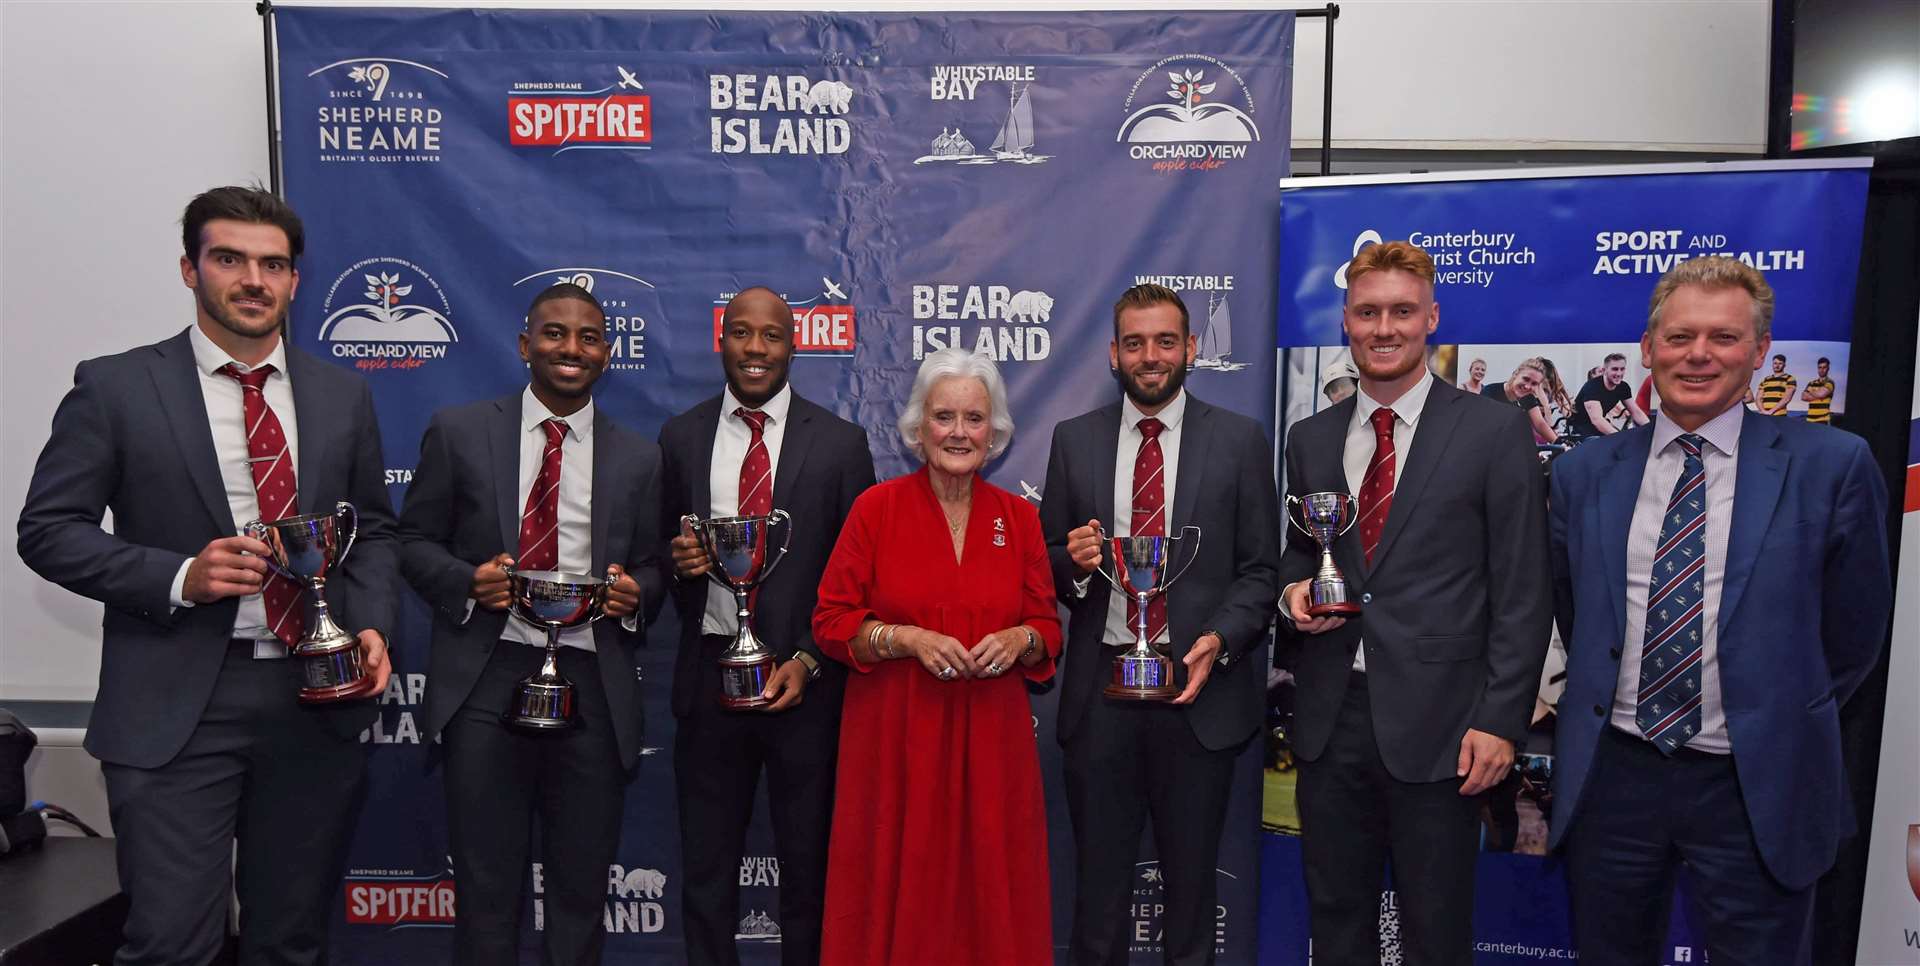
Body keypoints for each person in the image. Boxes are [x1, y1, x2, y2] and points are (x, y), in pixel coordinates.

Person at [16, 185, 397, 965]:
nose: (253, 280)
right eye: (230, 259)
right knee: (169, 945)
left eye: (273, 264)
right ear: (191, 270)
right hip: (176, 703)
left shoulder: (342, 394)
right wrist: (180, 574)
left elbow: (373, 531)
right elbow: (47, 531)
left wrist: (371, 623)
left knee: (289, 943)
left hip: (314, 703)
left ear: (296, 280)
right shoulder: (117, 386)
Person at [1547, 257, 1890, 966]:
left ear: (1760, 351)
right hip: (1616, 779)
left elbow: (1854, 635)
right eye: (1678, 337)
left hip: (1755, 783)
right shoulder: (1583, 473)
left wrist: (1772, 709)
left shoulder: (1833, 464)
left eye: (1723, 338)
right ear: (1648, 349)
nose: (1698, 354)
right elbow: (1576, 611)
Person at [1279, 241, 1551, 965]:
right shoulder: (1311, 438)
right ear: (1347, 322)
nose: (1385, 327)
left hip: (1445, 728)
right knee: (1335, 920)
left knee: (1436, 928)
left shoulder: (1493, 430)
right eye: (1368, 313)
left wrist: (1500, 721)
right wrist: (1292, 593)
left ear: (1432, 318)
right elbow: (1302, 552)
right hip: (1332, 720)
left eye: (1402, 311)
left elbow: (1524, 588)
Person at [398, 282, 665, 966]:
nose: (570, 349)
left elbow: (656, 567)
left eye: (587, 337)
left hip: (592, 685)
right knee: (488, 888)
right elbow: (412, 543)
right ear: (525, 344)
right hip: (487, 679)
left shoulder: (639, 457)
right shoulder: (459, 432)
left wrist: (638, 594)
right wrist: (466, 581)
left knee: (580, 888)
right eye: (554, 333)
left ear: (607, 353)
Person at [1039, 283, 1282, 965]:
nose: (1152, 356)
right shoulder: (1073, 440)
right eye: (1136, 343)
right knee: (1099, 899)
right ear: (1114, 354)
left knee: (1193, 898)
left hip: (1199, 697)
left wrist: (1219, 640)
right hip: (1101, 700)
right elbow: (1048, 560)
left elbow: (1261, 570)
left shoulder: (1239, 441)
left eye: (1166, 341)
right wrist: (1078, 564)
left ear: (1191, 349)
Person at [811, 347, 1061, 964]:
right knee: (893, 892)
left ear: (994, 432)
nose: (959, 432)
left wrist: (1018, 640)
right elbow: (830, 621)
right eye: (944, 416)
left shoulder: (1020, 520)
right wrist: (905, 638)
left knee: (992, 899)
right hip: (895, 739)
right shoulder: (875, 510)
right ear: (919, 428)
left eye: (974, 419)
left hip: (992, 745)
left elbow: (1047, 630)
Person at [658, 287, 875, 966]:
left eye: (772, 336)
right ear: (722, 340)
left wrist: (809, 661)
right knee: (706, 878)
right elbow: (662, 561)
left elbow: (859, 580)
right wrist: (683, 564)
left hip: (805, 692)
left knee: (809, 879)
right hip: (708, 688)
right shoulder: (681, 436)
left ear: (793, 344)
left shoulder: (841, 444)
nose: (756, 349)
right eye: (742, 334)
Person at [1570, 352, 1650, 438]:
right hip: (1579, 431)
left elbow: (1636, 412)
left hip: (1598, 429)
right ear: (1604, 370)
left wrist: (1650, 430)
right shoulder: (1592, 387)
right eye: (1615, 369)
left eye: (1622, 369)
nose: (1619, 374)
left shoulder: (1623, 387)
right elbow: (1597, 420)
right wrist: (1619, 437)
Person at [1482, 359, 1559, 444]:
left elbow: (1540, 424)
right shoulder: (1490, 392)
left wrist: (1559, 443)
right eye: (1526, 379)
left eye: (1534, 384)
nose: (1527, 386)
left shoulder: (1527, 397)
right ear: (1516, 374)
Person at [1801, 356, 1835, 424]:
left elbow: (1821, 394)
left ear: (1828, 368)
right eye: (1820, 367)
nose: (1821, 370)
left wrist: (1810, 393)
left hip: (1823, 420)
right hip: (1810, 420)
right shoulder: (1811, 383)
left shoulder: (1830, 382)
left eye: (1824, 367)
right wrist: (1818, 394)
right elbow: (1803, 397)